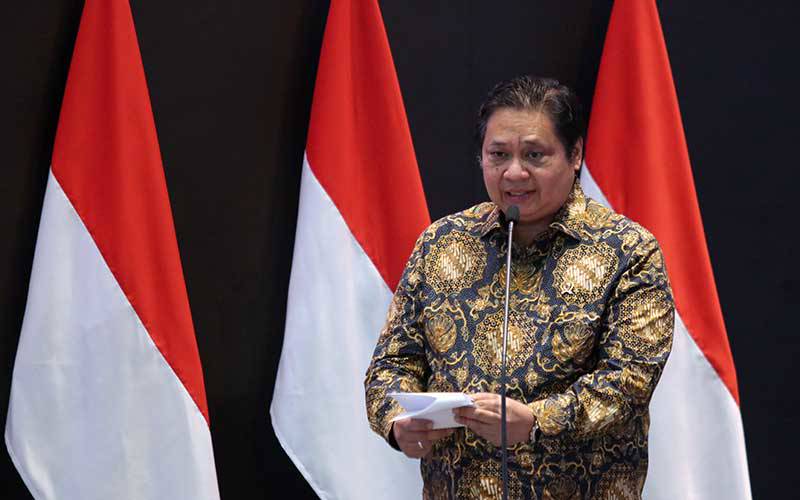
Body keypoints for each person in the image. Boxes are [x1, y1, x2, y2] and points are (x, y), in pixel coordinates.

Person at [364, 76, 674, 499]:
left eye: (534, 155)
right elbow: (391, 364)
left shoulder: (629, 251)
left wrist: (537, 421)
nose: (514, 172)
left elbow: (629, 382)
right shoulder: (443, 242)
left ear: (575, 154)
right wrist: (397, 422)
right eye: (498, 155)